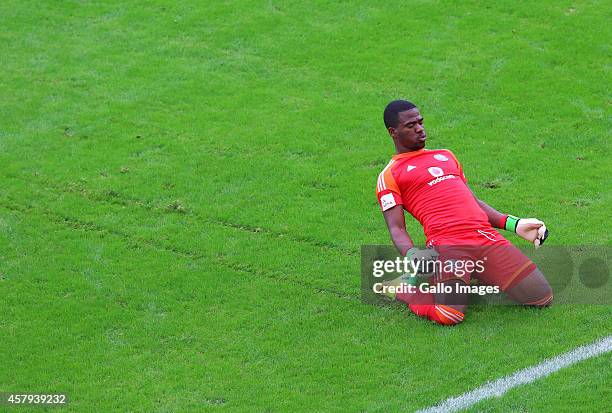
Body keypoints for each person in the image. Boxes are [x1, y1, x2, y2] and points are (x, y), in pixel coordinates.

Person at [376, 100, 553, 326]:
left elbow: (472, 201)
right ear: (393, 132)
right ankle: (405, 290)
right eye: (411, 125)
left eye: (421, 122)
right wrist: (412, 254)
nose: (420, 128)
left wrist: (514, 224)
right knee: (449, 315)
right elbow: (396, 227)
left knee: (541, 296)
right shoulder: (390, 174)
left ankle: (471, 273)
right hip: (448, 244)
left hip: (483, 237)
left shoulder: (446, 156)